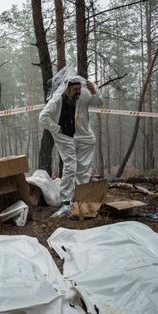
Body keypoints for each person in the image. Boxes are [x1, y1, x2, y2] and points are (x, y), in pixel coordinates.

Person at [39, 70, 102, 217]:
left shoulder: (84, 94)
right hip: (64, 136)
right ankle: (66, 202)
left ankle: (79, 200)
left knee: (84, 168)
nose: (78, 92)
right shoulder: (57, 100)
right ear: (67, 88)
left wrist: (94, 91)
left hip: (83, 134)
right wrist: (56, 128)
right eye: (75, 90)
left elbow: (99, 102)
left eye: (79, 89)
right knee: (70, 166)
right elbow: (43, 117)